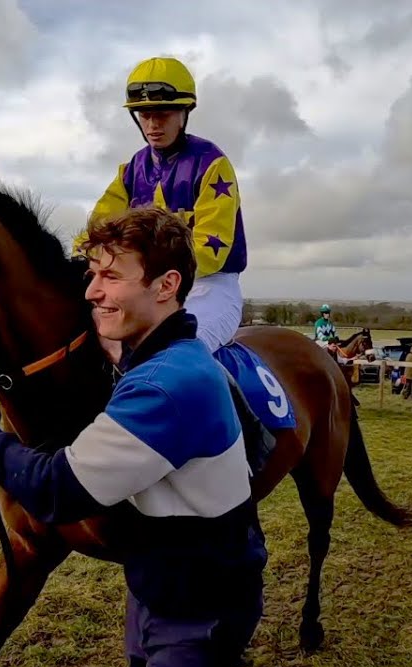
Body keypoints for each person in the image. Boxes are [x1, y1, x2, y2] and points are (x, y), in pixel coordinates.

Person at [0, 207, 265, 667]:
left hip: (200, 615)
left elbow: (56, 489)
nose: (91, 291)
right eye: (92, 275)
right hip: (153, 595)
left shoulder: (168, 383)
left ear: (167, 285)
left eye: (111, 277)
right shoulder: (155, 360)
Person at [74, 56, 271, 469]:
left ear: (184, 113)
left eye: (162, 113)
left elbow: (212, 250)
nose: (152, 123)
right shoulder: (132, 170)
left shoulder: (212, 163)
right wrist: (83, 257)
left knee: (186, 353)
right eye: (144, 115)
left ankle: (250, 438)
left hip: (208, 286)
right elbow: (99, 228)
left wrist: (146, 274)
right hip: (147, 286)